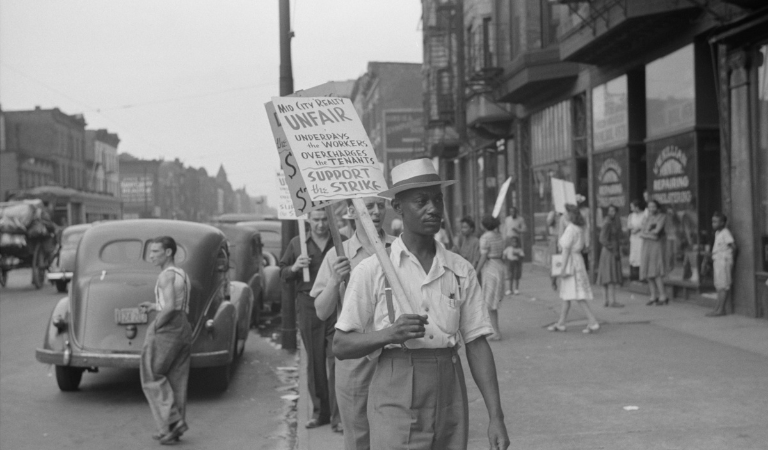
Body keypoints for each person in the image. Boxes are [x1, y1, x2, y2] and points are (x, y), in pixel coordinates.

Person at [334, 159, 510, 450]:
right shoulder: (374, 269)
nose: (434, 208)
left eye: (438, 199)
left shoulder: (459, 269)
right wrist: (390, 333)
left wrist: (496, 416)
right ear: (399, 208)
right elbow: (341, 345)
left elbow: (477, 343)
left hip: (448, 385)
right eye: (421, 201)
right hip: (396, 384)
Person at [311, 197, 396, 447]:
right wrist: (334, 281)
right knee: (359, 437)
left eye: (381, 205)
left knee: (395, 435)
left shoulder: (400, 248)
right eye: (368, 206)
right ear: (351, 211)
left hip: (395, 355)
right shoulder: (338, 255)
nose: (377, 211)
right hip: (355, 360)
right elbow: (321, 311)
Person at [279, 210, 339, 430]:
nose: (321, 224)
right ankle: (319, 412)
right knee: (315, 361)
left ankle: (338, 415)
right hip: (308, 304)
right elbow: (282, 272)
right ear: (308, 220)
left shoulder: (339, 242)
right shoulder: (297, 244)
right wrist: (295, 267)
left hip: (335, 304)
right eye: (316, 220)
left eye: (325, 219)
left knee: (337, 360)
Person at [138, 236, 192, 445]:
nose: (151, 256)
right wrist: (154, 306)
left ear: (168, 252)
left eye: (155, 252)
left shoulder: (165, 276)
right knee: (176, 378)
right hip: (183, 326)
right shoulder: (181, 274)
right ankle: (170, 430)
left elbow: (170, 307)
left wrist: (157, 325)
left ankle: (173, 421)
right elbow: (176, 303)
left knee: (151, 373)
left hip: (168, 326)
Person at [547, 206, 600, 334]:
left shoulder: (570, 229)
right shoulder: (579, 228)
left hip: (571, 262)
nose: (563, 215)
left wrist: (562, 269)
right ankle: (561, 323)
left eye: (565, 213)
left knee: (577, 294)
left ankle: (592, 321)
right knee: (568, 295)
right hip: (577, 260)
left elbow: (565, 250)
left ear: (570, 215)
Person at [477, 215, 505, 341]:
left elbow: (483, 256)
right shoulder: (498, 235)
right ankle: (493, 329)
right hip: (499, 265)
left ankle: (496, 331)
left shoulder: (485, 237)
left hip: (490, 267)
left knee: (489, 302)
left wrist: (476, 270)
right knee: (492, 301)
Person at [704, 212, 735, 317]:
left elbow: (733, 246)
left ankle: (721, 309)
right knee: (718, 286)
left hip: (723, 260)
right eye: (713, 221)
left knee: (723, 286)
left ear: (722, 223)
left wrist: (730, 259)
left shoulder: (726, 232)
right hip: (717, 260)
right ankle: (717, 308)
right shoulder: (718, 233)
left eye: (716, 222)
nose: (713, 224)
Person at [639, 199, 668, 305]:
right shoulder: (647, 217)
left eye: (654, 207)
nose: (651, 209)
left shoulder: (662, 216)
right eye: (649, 207)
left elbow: (656, 233)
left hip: (656, 246)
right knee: (647, 272)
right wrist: (648, 234)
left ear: (658, 207)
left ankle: (663, 296)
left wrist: (646, 233)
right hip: (646, 246)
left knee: (656, 271)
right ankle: (653, 296)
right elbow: (641, 232)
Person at [596, 205, 624, 307]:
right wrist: (612, 248)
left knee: (607, 275)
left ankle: (607, 300)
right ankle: (610, 301)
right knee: (610, 276)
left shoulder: (612, 222)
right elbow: (602, 239)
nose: (611, 213)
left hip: (609, 250)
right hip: (609, 251)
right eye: (610, 210)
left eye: (613, 211)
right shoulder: (608, 222)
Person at [502, 207, 526, 294]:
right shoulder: (507, 219)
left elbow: (524, 229)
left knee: (517, 261)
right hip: (509, 240)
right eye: (511, 211)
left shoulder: (520, 219)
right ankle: (509, 287)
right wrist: (504, 240)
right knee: (509, 260)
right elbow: (504, 230)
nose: (512, 213)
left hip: (516, 239)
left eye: (514, 211)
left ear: (517, 212)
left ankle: (516, 287)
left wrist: (518, 230)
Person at [627, 200, 645, 281]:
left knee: (641, 255)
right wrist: (633, 229)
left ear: (637, 207)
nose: (631, 208)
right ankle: (634, 276)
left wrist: (638, 229)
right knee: (634, 255)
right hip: (634, 238)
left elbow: (644, 224)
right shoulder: (631, 215)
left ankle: (642, 276)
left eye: (632, 206)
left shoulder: (644, 214)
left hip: (641, 238)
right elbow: (629, 225)